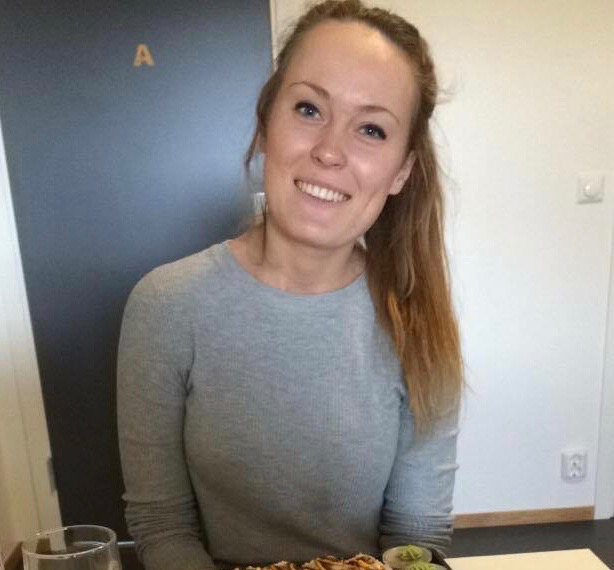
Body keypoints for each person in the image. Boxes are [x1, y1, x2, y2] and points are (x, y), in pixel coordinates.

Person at [117, 2, 464, 570]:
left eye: (371, 129)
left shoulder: (419, 323)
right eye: (309, 109)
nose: (329, 151)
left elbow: (415, 538)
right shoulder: (165, 306)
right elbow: (163, 527)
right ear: (265, 124)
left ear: (401, 171)